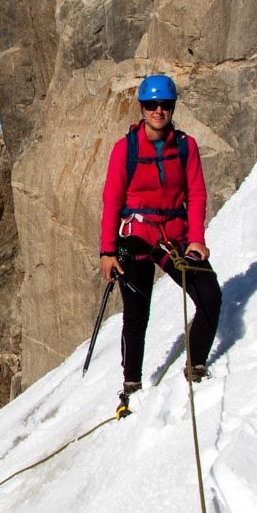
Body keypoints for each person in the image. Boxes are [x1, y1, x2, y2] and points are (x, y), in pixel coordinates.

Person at [98, 74, 222, 416]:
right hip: (135, 236)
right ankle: (131, 385)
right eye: (152, 105)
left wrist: (197, 238)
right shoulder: (126, 149)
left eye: (165, 105)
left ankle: (195, 365)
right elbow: (112, 199)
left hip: (173, 235)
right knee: (136, 314)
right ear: (142, 108)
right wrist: (108, 251)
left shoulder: (186, 146)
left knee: (209, 294)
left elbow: (196, 193)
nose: (158, 111)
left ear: (172, 108)